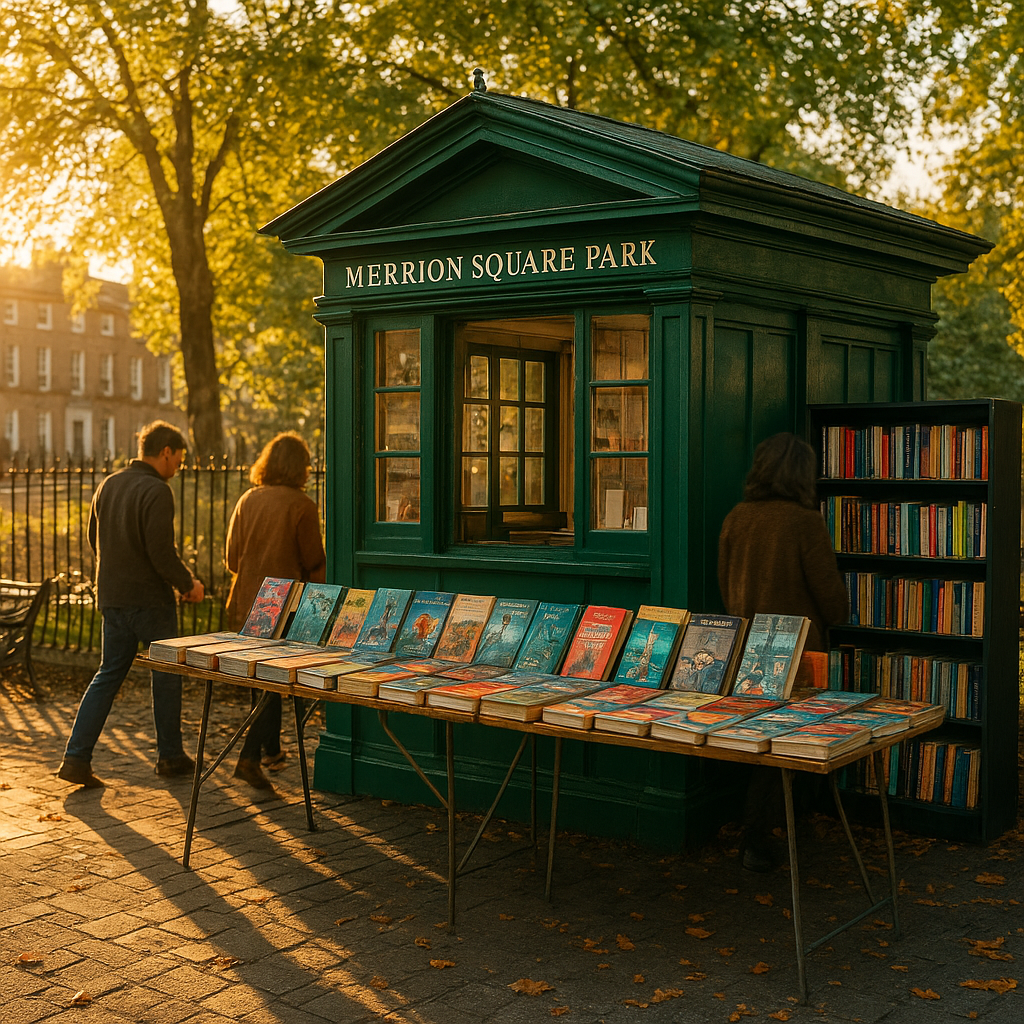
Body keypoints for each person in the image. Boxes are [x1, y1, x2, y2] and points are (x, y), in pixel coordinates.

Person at [717, 432, 849, 871]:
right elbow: (832, 601)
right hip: (800, 655)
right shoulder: (804, 521)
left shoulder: (737, 517)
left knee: (759, 741)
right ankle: (761, 837)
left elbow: (724, 585)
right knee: (791, 744)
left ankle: (760, 833)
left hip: (746, 646)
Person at [57, 421, 205, 788]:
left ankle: (76, 757)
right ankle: (170, 756)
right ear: (166, 452)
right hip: (150, 602)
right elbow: (161, 552)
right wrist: (189, 584)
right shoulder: (157, 491)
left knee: (107, 676)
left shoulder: (109, 483)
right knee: (166, 676)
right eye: (179, 460)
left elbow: (96, 539)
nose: (179, 468)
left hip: (112, 597)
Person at [225, 432, 326, 789]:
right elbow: (314, 561)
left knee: (261, 677)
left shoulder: (247, 499)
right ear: (300, 468)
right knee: (274, 679)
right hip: (284, 603)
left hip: (245, 602)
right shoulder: (302, 505)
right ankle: (249, 756)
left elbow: (231, 559)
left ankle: (270, 750)